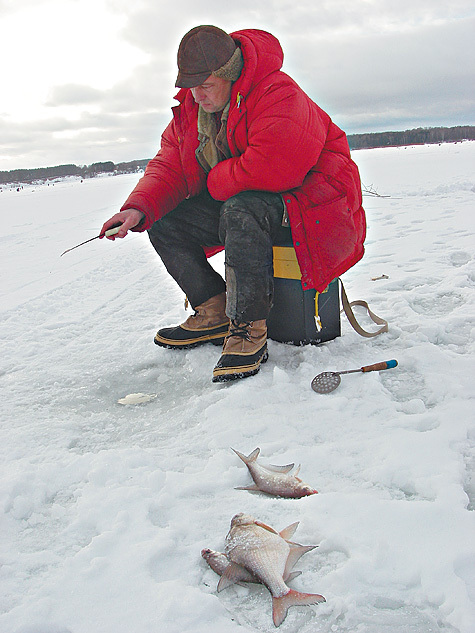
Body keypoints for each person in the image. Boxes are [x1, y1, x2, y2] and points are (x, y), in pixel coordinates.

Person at [100, 25, 366, 383]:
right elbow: (169, 165)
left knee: (240, 209)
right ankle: (214, 312)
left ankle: (249, 329)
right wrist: (137, 208)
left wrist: (214, 181)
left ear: (231, 74)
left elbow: (275, 169)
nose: (197, 95)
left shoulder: (277, 92)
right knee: (165, 220)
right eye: (191, 86)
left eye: (206, 85)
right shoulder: (191, 112)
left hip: (312, 204)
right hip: (247, 200)